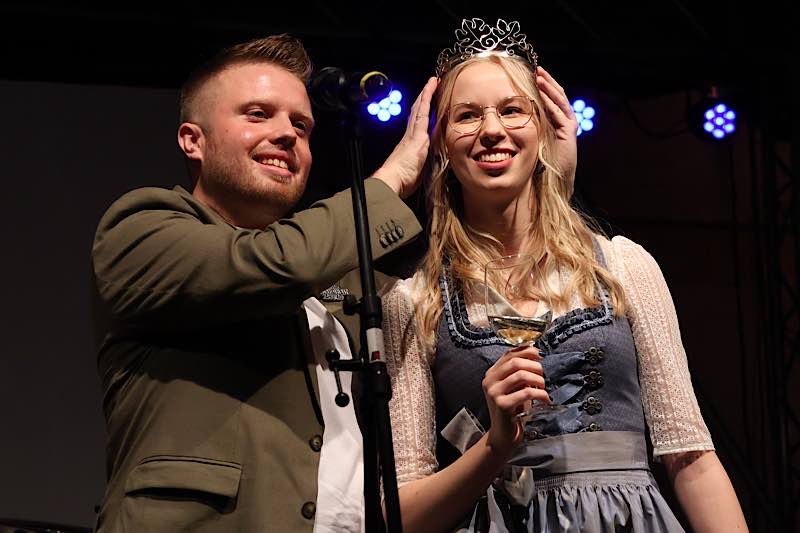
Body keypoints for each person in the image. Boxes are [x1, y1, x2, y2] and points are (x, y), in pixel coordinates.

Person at [381, 18, 748, 532]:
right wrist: (493, 447)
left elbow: (691, 459)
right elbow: (401, 511)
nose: (492, 130)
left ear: (546, 128)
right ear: (440, 141)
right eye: (467, 115)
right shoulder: (414, 298)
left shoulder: (623, 265)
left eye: (512, 110)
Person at [91, 34, 437, 532]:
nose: (287, 134)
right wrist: (392, 180)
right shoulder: (138, 229)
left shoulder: (335, 273)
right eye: (258, 114)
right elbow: (273, 265)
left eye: (301, 124)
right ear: (193, 139)